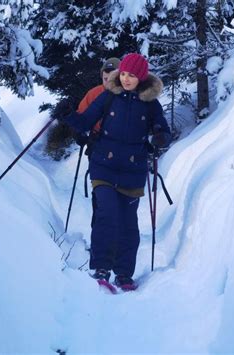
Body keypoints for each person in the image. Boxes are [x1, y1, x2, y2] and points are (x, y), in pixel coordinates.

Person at [62, 53, 172, 290]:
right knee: (106, 214)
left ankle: (124, 273)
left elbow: (162, 129)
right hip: (103, 164)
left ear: (141, 76)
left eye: (131, 75)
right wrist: (68, 115)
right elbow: (86, 121)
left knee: (128, 223)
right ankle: (100, 267)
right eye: (123, 73)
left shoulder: (150, 103)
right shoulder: (109, 97)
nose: (125, 79)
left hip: (133, 168)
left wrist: (161, 137)